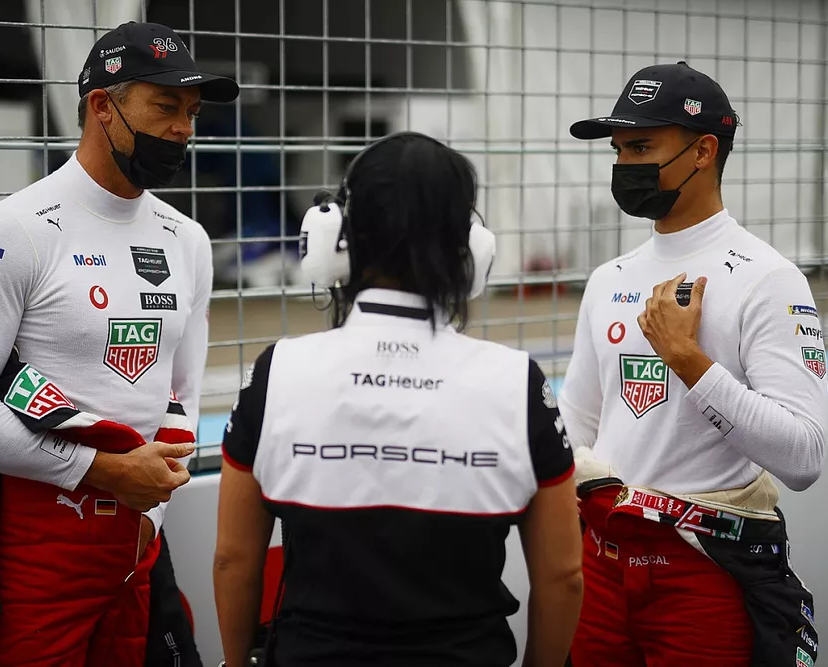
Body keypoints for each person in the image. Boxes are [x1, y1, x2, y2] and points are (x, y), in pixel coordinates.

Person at [0, 20, 238, 667]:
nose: (184, 127)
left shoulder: (188, 239)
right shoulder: (8, 228)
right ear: (103, 104)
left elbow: (181, 393)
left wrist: (145, 506)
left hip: (137, 538)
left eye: (191, 111)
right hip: (35, 544)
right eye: (165, 105)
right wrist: (100, 470)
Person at [212, 131, 584, 667]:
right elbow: (562, 576)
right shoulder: (517, 382)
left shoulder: (278, 371)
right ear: (472, 249)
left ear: (335, 239)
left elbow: (232, 558)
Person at [561, 61, 828, 666]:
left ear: (704, 150)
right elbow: (576, 432)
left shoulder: (770, 279)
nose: (625, 165)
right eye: (619, 149)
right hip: (601, 566)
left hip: (704, 570)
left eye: (641, 146)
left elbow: (805, 458)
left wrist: (688, 361)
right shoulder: (609, 279)